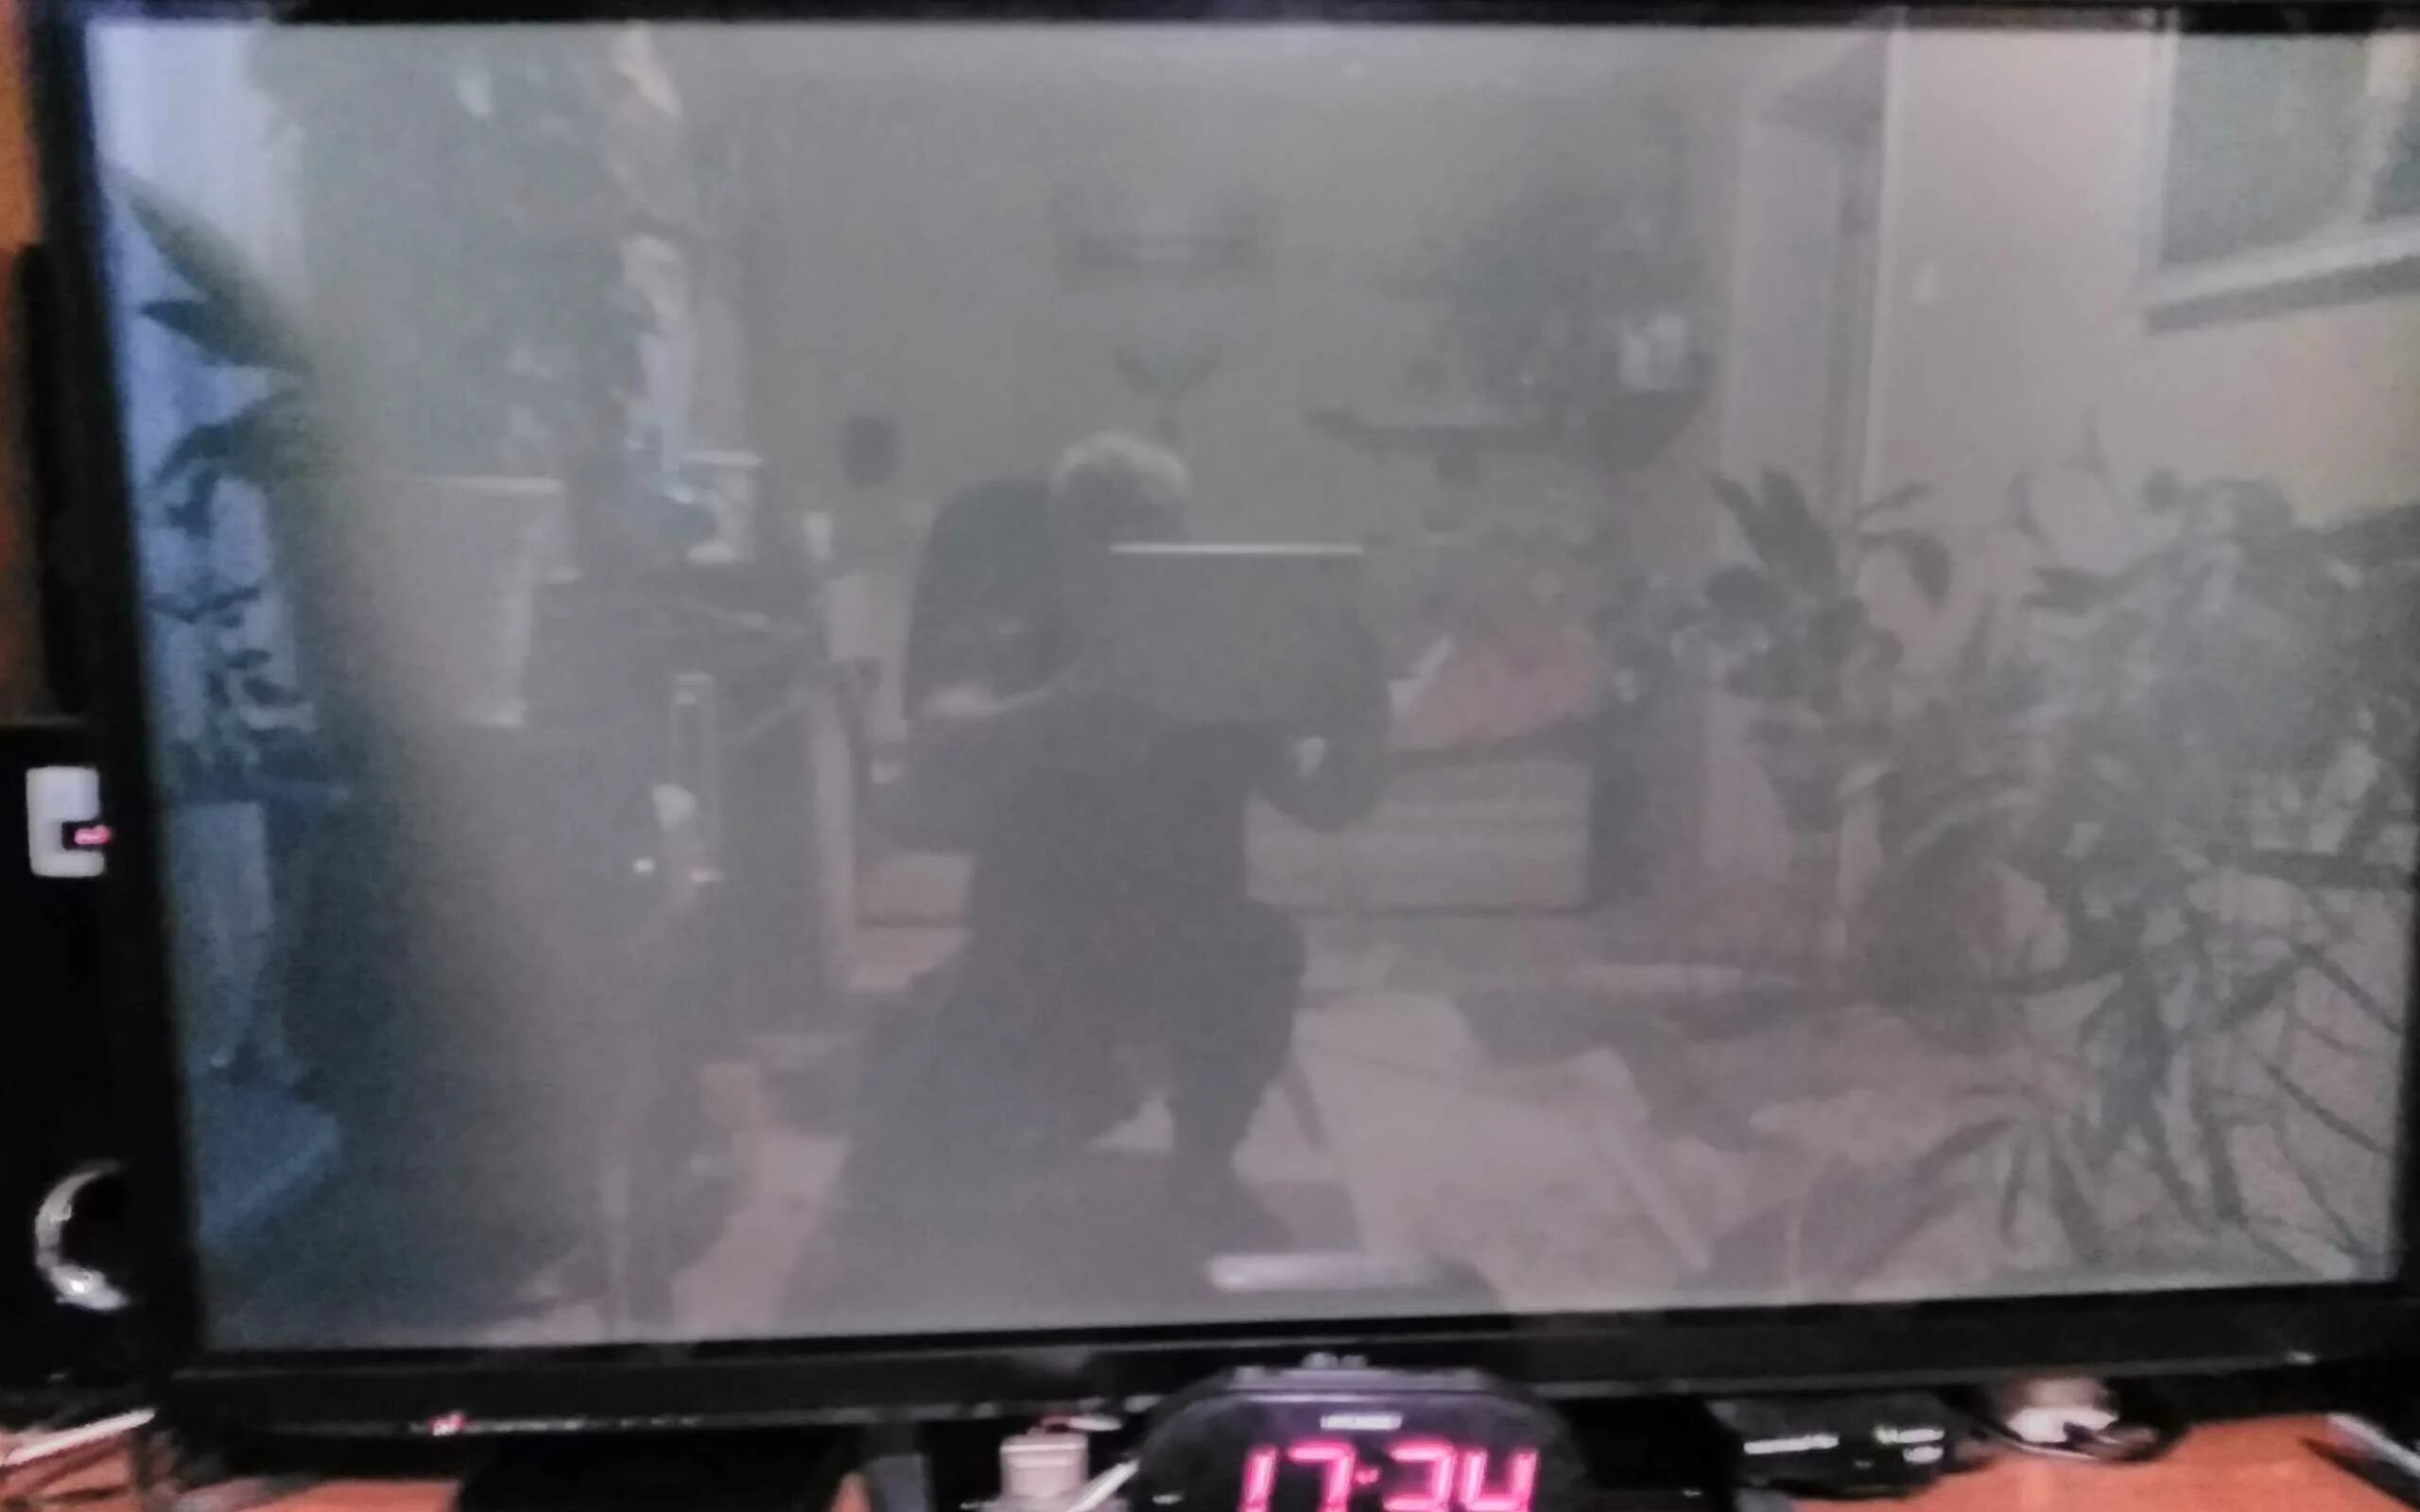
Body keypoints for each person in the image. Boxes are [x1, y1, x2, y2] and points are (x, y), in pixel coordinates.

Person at [847, 434, 1389, 1246]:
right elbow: (939, 733)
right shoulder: (1018, 642)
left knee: (1262, 952)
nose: (1125, 558)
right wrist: (1062, 707)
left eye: (1151, 534)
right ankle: (982, 1065)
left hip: (1190, 932)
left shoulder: (1224, 661)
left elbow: (1327, 803)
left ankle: (1203, 1166)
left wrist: (1364, 718)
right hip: (1034, 942)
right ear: (1063, 543)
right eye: (1101, 533)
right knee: (907, 1204)